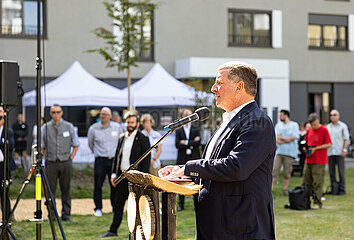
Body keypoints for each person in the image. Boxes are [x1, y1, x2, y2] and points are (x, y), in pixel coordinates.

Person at [159, 61, 276, 239]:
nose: (213, 88)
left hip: (240, 227)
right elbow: (215, 164)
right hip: (216, 223)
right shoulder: (229, 121)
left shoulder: (257, 122)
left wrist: (190, 168)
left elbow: (237, 166)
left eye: (219, 83)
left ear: (239, 87)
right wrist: (182, 172)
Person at [100, 112, 150, 238]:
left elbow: (146, 161)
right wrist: (113, 174)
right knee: (118, 204)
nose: (130, 125)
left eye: (132, 122)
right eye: (128, 122)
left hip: (135, 178)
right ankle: (113, 230)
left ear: (137, 124)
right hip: (122, 176)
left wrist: (142, 178)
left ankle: (140, 233)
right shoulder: (122, 137)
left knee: (137, 206)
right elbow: (117, 157)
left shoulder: (143, 138)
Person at [41, 104, 79, 222]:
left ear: (61, 113)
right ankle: (51, 216)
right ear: (50, 114)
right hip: (50, 162)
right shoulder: (45, 127)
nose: (56, 114)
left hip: (65, 162)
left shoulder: (69, 126)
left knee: (66, 189)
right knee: (50, 190)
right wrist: (41, 160)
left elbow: (76, 144)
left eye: (58, 112)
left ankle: (66, 215)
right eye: (53, 112)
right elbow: (42, 146)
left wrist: (71, 158)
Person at [88, 107, 123, 217]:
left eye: (105, 114)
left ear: (110, 116)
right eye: (102, 114)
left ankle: (115, 207)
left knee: (115, 184)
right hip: (100, 160)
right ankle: (98, 208)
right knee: (98, 185)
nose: (103, 116)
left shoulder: (117, 128)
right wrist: (98, 153)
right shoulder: (93, 128)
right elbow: (90, 144)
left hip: (113, 160)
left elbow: (121, 142)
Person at [303, 113, 332, 209]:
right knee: (306, 181)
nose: (313, 127)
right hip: (309, 160)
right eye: (311, 125)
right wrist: (306, 148)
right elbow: (306, 142)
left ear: (318, 121)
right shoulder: (309, 130)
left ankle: (317, 202)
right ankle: (306, 201)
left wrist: (316, 148)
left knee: (317, 182)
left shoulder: (324, 129)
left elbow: (329, 144)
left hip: (319, 160)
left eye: (314, 124)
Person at [175, 108, 201, 211]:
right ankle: (181, 204)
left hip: (193, 157)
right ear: (182, 117)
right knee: (181, 180)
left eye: (190, 115)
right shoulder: (179, 130)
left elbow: (198, 143)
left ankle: (197, 202)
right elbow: (177, 144)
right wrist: (191, 143)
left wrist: (185, 143)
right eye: (186, 115)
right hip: (182, 158)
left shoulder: (196, 129)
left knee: (195, 180)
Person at [272, 110, 299, 195]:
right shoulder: (278, 125)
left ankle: (285, 190)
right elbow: (276, 137)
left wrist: (282, 138)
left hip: (289, 152)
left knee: (287, 172)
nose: (280, 117)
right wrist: (285, 139)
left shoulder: (294, 125)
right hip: (279, 152)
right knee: (274, 170)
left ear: (286, 115)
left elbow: (294, 137)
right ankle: (270, 189)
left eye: (281, 115)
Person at [327, 109, 349, 195]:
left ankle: (342, 189)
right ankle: (334, 188)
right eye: (331, 115)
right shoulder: (328, 127)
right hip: (330, 152)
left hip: (340, 152)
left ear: (338, 116)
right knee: (331, 172)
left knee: (341, 171)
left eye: (334, 115)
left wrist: (344, 150)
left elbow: (346, 139)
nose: (332, 116)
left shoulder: (343, 126)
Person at [0, 107, 17, 220]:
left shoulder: (8, 131)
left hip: (3, 165)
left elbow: (10, 146)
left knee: (4, 192)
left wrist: (2, 142)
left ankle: (7, 217)